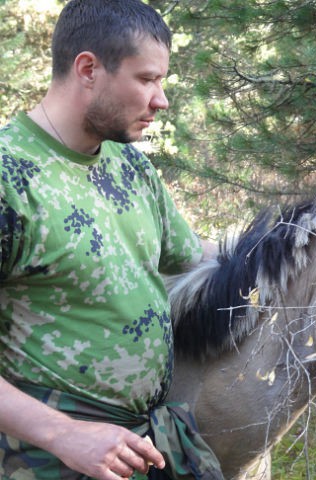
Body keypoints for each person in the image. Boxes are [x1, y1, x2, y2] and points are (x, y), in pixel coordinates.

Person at [0, 0, 222, 478]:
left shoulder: (131, 165)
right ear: (87, 69)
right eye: (147, 80)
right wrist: (65, 435)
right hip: (46, 457)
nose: (160, 100)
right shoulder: (7, 178)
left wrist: (293, 253)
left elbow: (192, 254)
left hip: (142, 445)